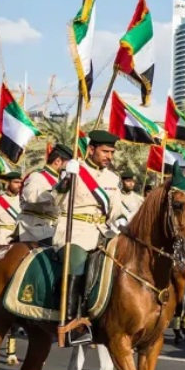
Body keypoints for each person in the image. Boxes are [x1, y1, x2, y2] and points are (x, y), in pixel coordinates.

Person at [55, 129, 126, 347]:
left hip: (101, 233)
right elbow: (56, 200)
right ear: (91, 149)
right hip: (73, 230)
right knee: (76, 262)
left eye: (111, 152)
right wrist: (66, 179)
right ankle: (71, 323)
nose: (109, 156)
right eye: (105, 151)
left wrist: (123, 222)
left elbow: (115, 209)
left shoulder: (112, 178)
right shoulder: (74, 169)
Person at [18, 143, 73, 245]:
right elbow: (31, 197)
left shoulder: (59, 179)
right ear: (57, 161)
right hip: (35, 228)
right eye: (67, 165)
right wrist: (56, 191)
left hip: (52, 227)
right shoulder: (37, 176)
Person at [0, 171, 24, 244]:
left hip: (19, 236)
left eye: (20, 182)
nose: (19, 185)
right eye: (16, 182)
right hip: (2, 237)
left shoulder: (23, 200)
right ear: (7, 183)